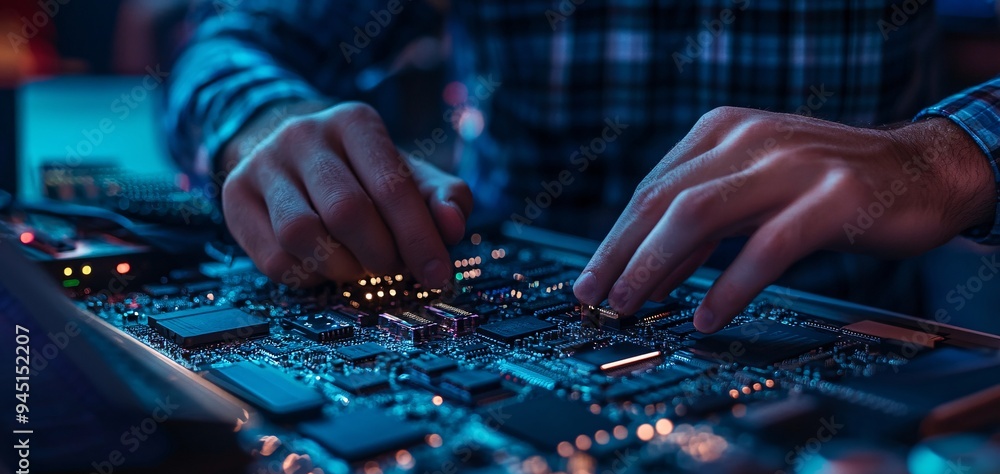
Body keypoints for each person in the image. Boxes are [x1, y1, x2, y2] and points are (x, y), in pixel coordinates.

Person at [166, 0, 1000, 333]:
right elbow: (230, 43)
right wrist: (266, 120)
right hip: (485, 306)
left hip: (846, 336)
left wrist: (945, 155)